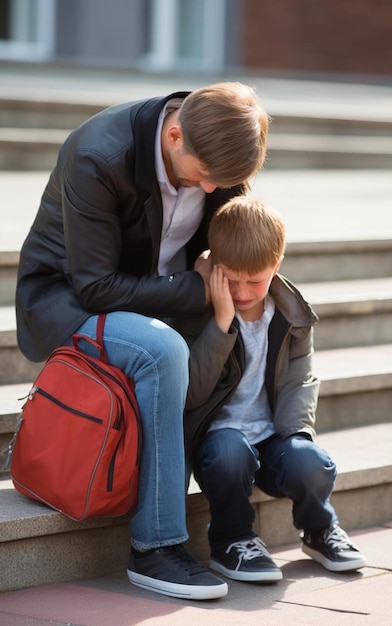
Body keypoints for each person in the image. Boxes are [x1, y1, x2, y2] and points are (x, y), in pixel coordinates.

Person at [15, 82, 269, 600]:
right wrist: (198, 288)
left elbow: (231, 235)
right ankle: (155, 547)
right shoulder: (97, 154)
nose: (209, 188)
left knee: (245, 313)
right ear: (174, 135)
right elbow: (95, 285)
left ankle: (236, 528)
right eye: (202, 178)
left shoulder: (215, 150)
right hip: (68, 302)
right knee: (165, 350)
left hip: (157, 298)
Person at [174, 196, 368, 583]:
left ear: (276, 266)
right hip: (219, 443)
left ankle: (319, 529)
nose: (243, 291)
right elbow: (193, 393)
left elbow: (301, 379)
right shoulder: (198, 311)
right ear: (213, 266)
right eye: (231, 278)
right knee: (230, 453)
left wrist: (295, 438)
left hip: (271, 437)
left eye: (255, 280)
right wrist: (222, 322)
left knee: (310, 461)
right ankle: (232, 540)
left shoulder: (292, 315)